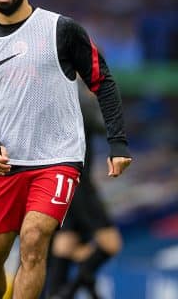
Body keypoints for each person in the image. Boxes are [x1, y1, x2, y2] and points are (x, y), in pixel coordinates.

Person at [0, 0, 132, 299]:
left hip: (58, 160)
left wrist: (117, 142)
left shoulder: (61, 30)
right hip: (6, 166)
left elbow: (104, 81)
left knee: (34, 238)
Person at [46, 84, 123, 299]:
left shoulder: (58, 94)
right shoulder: (78, 96)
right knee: (111, 243)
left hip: (63, 181)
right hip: (80, 185)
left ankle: (55, 293)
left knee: (66, 244)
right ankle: (66, 293)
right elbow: (103, 126)